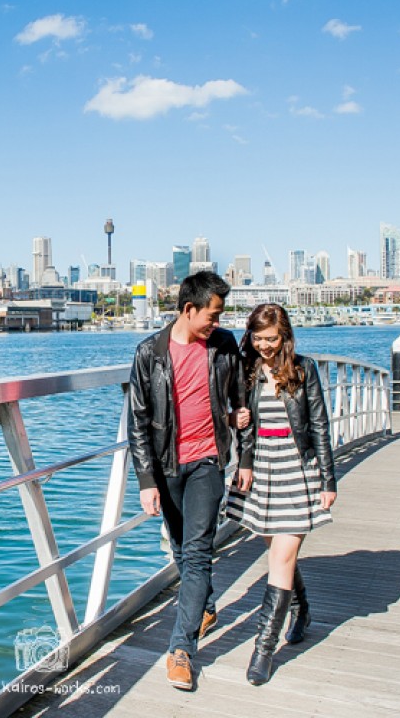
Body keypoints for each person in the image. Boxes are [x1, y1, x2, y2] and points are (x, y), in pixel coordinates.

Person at [127, 271, 248, 691]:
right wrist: (146, 480)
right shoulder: (150, 353)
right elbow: (138, 421)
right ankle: (205, 606)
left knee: (197, 553)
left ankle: (181, 649)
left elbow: (242, 404)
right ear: (188, 309)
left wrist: (245, 452)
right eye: (213, 315)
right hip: (166, 467)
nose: (218, 322)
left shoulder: (225, 345)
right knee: (180, 547)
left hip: (207, 462)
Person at [226, 302, 336, 686]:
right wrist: (238, 438)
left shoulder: (304, 370)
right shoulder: (247, 369)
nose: (264, 346)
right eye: (258, 338)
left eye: (271, 339)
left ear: (285, 336)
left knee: (282, 555)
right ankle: (301, 609)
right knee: (278, 554)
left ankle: (264, 649)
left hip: (297, 466)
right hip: (262, 468)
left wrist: (328, 481)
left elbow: (319, 425)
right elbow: (242, 425)